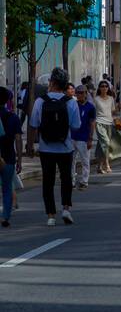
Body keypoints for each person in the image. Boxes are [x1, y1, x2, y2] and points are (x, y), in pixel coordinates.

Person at [30, 68, 81, 226]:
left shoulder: (40, 101)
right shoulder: (71, 102)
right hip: (65, 147)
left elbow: (33, 124)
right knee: (66, 179)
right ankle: (66, 209)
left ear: (51, 82)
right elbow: (76, 125)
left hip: (46, 148)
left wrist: (30, 145)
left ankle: (51, 215)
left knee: (48, 181)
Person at [0, 87, 23, 228]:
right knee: (7, 188)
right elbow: (18, 139)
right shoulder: (13, 117)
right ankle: (6, 216)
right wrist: (19, 159)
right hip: (8, 157)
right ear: (7, 100)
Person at [71, 85, 96, 191]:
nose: (79, 95)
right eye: (77, 93)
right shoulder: (73, 105)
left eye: (82, 93)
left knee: (85, 161)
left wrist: (90, 138)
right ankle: (71, 180)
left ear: (86, 94)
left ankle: (84, 181)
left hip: (84, 138)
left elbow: (92, 123)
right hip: (72, 137)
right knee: (71, 161)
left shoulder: (90, 107)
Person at [93, 79, 120, 174]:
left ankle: (99, 166)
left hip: (109, 123)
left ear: (108, 88)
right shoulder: (96, 99)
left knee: (101, 145)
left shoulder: (111, 98)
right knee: (106, 142)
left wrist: (119, 107)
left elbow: (113, 111)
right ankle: (107, 164)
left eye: (106, 86)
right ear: (99, 88)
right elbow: (93, 113)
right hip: (99, 123)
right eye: (102, 86)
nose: (104, 88)